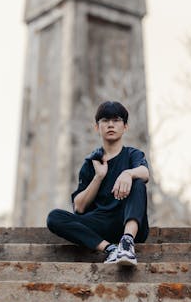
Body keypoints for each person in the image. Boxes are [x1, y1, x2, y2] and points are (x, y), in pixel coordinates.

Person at [46, 101, 150, 265]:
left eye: (116, 120)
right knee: (54, 217)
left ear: (125, 127)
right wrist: (98, 177)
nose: (110, 125)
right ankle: (111, 250)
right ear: (97, 127)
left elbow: (145, 173)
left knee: (138, 183)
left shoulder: (132, 154)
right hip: (101, 224)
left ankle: (127, 243)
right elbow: (79, 207)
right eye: (105, 120)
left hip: (130, 223)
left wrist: (128, 173)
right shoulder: (91, 163)